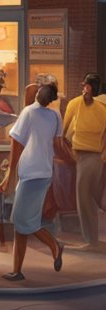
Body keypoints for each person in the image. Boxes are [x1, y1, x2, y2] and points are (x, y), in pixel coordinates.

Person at [0, 84, 73, 281]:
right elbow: (58, 144)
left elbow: (16, 144)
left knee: (24, 222)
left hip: (30, 172)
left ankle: (54, 246)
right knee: (22, 222)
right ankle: (17, 270)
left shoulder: (28, 112)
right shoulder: (55, 115)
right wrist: (70, 161)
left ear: (39, 95)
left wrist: (10, 174)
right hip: (44, 172)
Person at [62, 73, 106, 249]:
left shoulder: (79, 105)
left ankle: (92, 241)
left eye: (86, 86)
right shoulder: (98, 108)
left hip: (88, 157)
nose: (85, 89)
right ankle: (92, 240)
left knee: (84, 198)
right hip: (91, 157)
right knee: (95, 196)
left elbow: (63, 133)